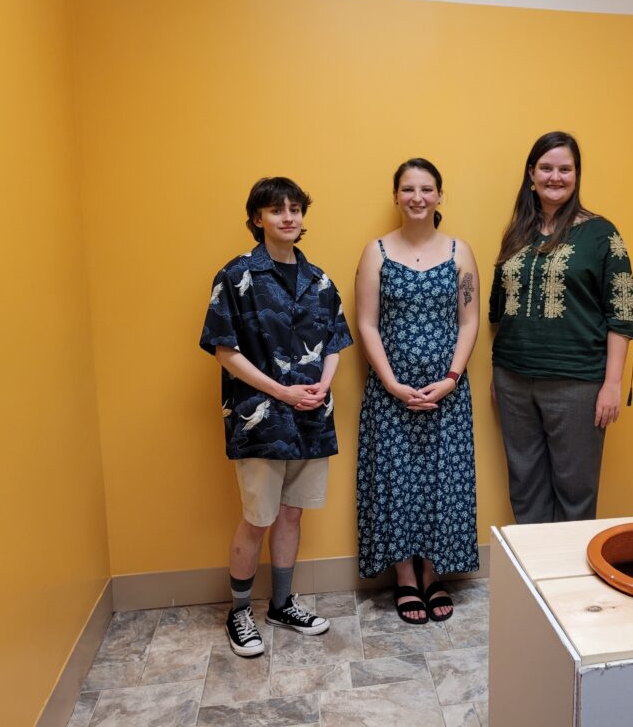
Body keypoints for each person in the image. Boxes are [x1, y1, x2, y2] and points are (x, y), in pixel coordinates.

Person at [200, 176, 353, 656]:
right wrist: (281, 392)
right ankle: (240, 611)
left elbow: (335, 341)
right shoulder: (236, 275)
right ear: (257, 219)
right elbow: (224, 350)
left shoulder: (320, 280)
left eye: (295, 209)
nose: (288, 217)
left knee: (291, 514)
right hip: (260, 418)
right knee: (257, 518)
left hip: (311, 417)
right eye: (277, 210)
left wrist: (323, 386)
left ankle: (282, 604)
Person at [489, 131, 633, 524]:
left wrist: (611, 384)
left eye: (565, 169)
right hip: (514, 381)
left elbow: (622, 313)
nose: (555, 177)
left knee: (575, 490)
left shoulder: (602, 234)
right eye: (546, 168)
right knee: (524, 486)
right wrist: (498, 371)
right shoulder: (516, 232)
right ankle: (532, 580)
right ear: (531, 173)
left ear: (576, 175)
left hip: (577, 385)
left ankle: (567, 582)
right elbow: (498, 309)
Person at [355, 158, 480, 624]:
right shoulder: (376, 252)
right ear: (396, 196)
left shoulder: (458, 251)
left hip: (448, 393)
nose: (417, 197)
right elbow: (366, 323)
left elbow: (469, 322)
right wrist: (391, 382)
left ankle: (432, 574)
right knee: (395, 483)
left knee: (440, 483)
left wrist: (449, 379)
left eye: (427, 189)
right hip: (390, 393)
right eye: (408, 189)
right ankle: (405, 579)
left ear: (440, 196)